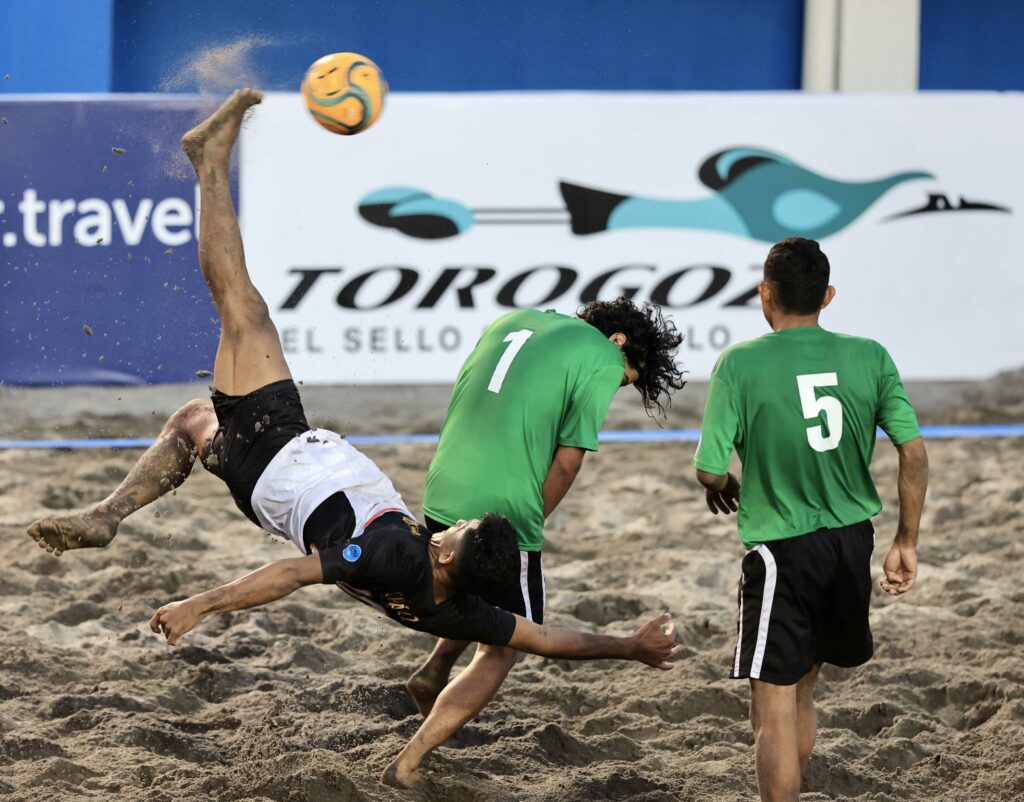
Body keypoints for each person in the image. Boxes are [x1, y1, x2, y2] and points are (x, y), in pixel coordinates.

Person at [26, 89, 682, 777]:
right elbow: (549, 633)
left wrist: (203, 604)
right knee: (197, 412)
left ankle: (208, 167)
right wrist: (631, 646)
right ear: (619, 346)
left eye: (459, 535)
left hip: (297, 460)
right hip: (284, 465)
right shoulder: (440, 592)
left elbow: (296, 573)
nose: (454, 527)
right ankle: (110, 513)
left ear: (446, 555)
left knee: (239, 312)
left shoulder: (400, 550)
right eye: (633, 373)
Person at [390, 298, 685, 784]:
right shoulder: (603, 358)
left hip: (442, 485)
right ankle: (410, 761)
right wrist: (523, 527)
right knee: (503, 646)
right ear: (618, 341)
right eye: (629, 377)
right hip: (503, 502)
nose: (621, 382)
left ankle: (436, 667)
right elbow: (568, 464)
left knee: (471, 579)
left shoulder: (510, 320)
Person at [693, 237, 928, 802]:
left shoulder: (740, 362)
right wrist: (907, 541)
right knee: (802, 693)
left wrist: (728, 485)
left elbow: (706, 471)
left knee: (771, 708)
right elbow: (914, 452)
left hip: (781, 551)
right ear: (828, 295)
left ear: (763, 294)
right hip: (853, 542)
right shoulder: (869, 355)